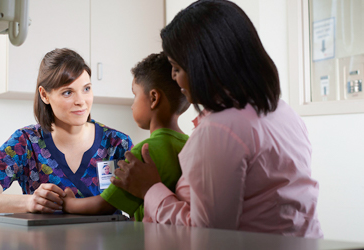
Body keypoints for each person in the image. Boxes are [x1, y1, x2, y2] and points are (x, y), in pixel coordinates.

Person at [112, 0, 323, 238]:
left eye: (177, 68)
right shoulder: (282, 111)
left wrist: (150, 189)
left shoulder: (220, 129)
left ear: (202, 66)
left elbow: (208, 234)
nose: (174, 77)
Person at [0, 48, 133, 216]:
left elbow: (144, 205)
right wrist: (29, 202)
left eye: (86, 89)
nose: (81, 101)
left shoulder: (117, 143)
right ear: (44, 95)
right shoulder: (25, 142)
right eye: (67, 92)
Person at [61, 52, 190, 221]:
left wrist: (68, 203)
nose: (132, 105)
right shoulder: (190, 144)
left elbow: (104, 205)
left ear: (153, 98)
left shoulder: (144, 152)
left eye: (135, 95)